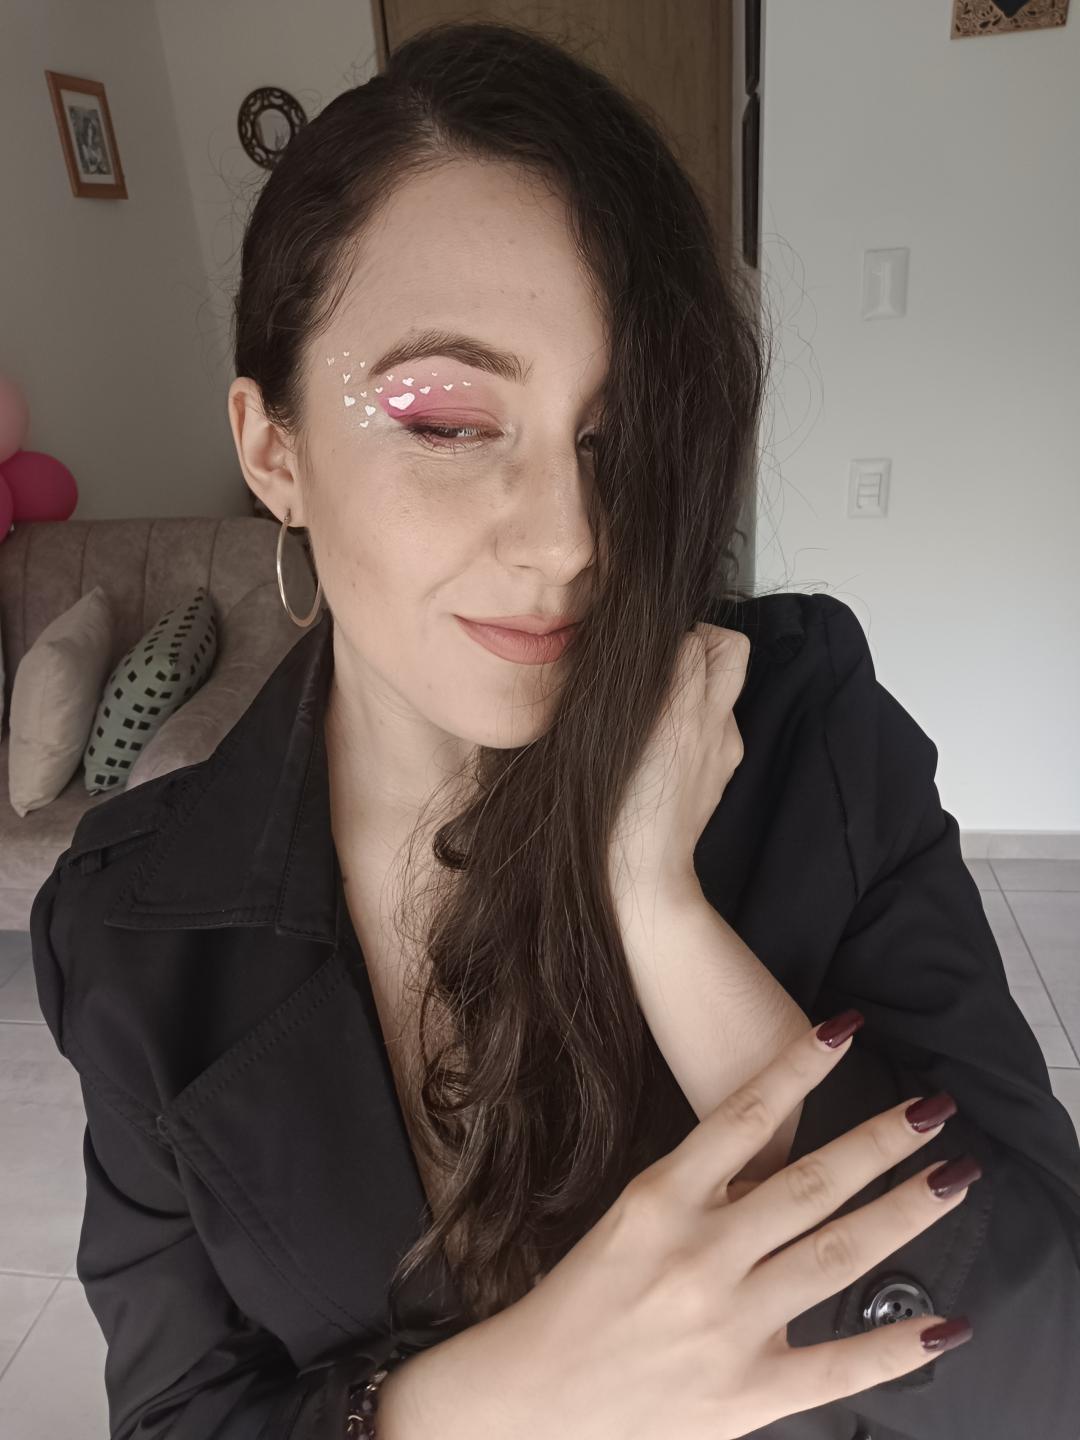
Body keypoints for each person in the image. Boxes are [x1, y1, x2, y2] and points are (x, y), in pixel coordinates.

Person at [29, 19, 1080, 1440]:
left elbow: (1046, 1375)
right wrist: (498, 1400)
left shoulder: (810, 735)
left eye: (615, 435)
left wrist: (665, 918)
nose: (573, 540)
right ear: (274, 448)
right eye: (449, 420)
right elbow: (182, 1416)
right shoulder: (133, 929)